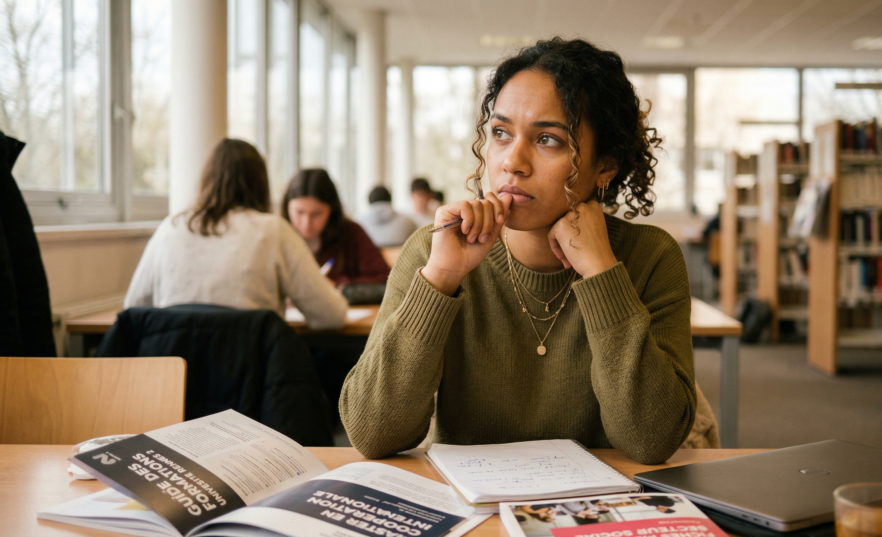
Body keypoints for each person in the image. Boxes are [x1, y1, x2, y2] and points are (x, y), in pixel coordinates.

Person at [340, 38, 718, 466]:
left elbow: (651, 440)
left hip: (596, 514)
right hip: (468, 514)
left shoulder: (650, 256)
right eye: (500, 133)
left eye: (547, 140)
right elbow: (372, 432)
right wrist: (441, 278)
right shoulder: (434, 248)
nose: (512, 162)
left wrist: (600, 270)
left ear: (605, 168)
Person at [125, 139, 346, 330]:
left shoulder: (170, 228)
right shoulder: (274, 230)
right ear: (260, 182)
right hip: (251, 372)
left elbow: (133, 308)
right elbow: (331, 317)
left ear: (206, 179)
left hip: (174, 372)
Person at [283, 169, 391, 301]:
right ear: (287, 208)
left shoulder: (351, 233)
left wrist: (339, 286)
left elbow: (386, 282)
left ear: (332, 209)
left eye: (316, 214)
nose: (307, 223)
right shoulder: (277, 236)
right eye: (299, 212)